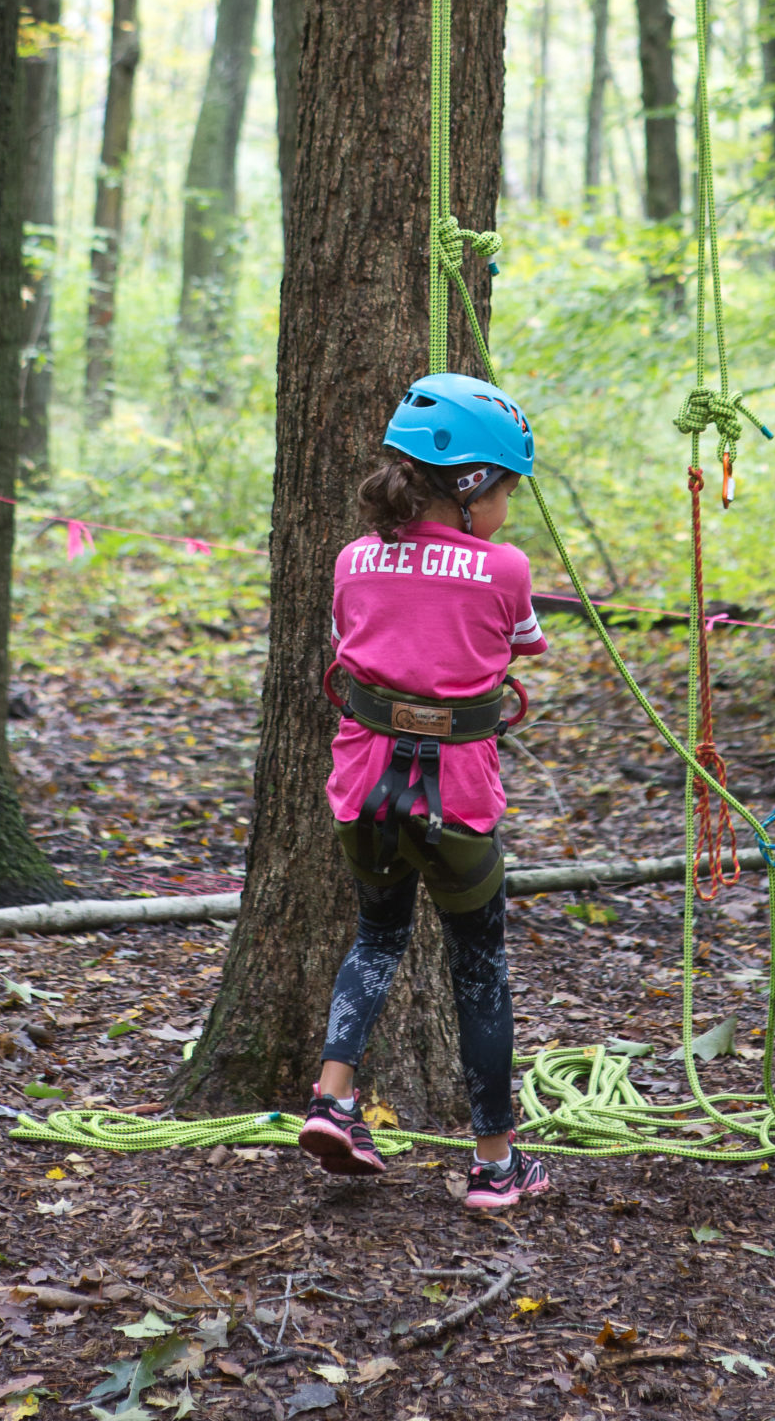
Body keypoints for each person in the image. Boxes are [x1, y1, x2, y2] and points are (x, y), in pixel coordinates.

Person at [297, 371, 552, 1211]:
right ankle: (493, 1164)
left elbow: (354, 636)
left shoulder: (351, 559)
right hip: (458, 799)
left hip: (362, 790)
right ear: (474, 485)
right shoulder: (503, 567)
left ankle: (334, 1096)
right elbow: (524, 648)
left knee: (376, 938)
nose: (509, 506)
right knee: (478, 966)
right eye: (507, 488)